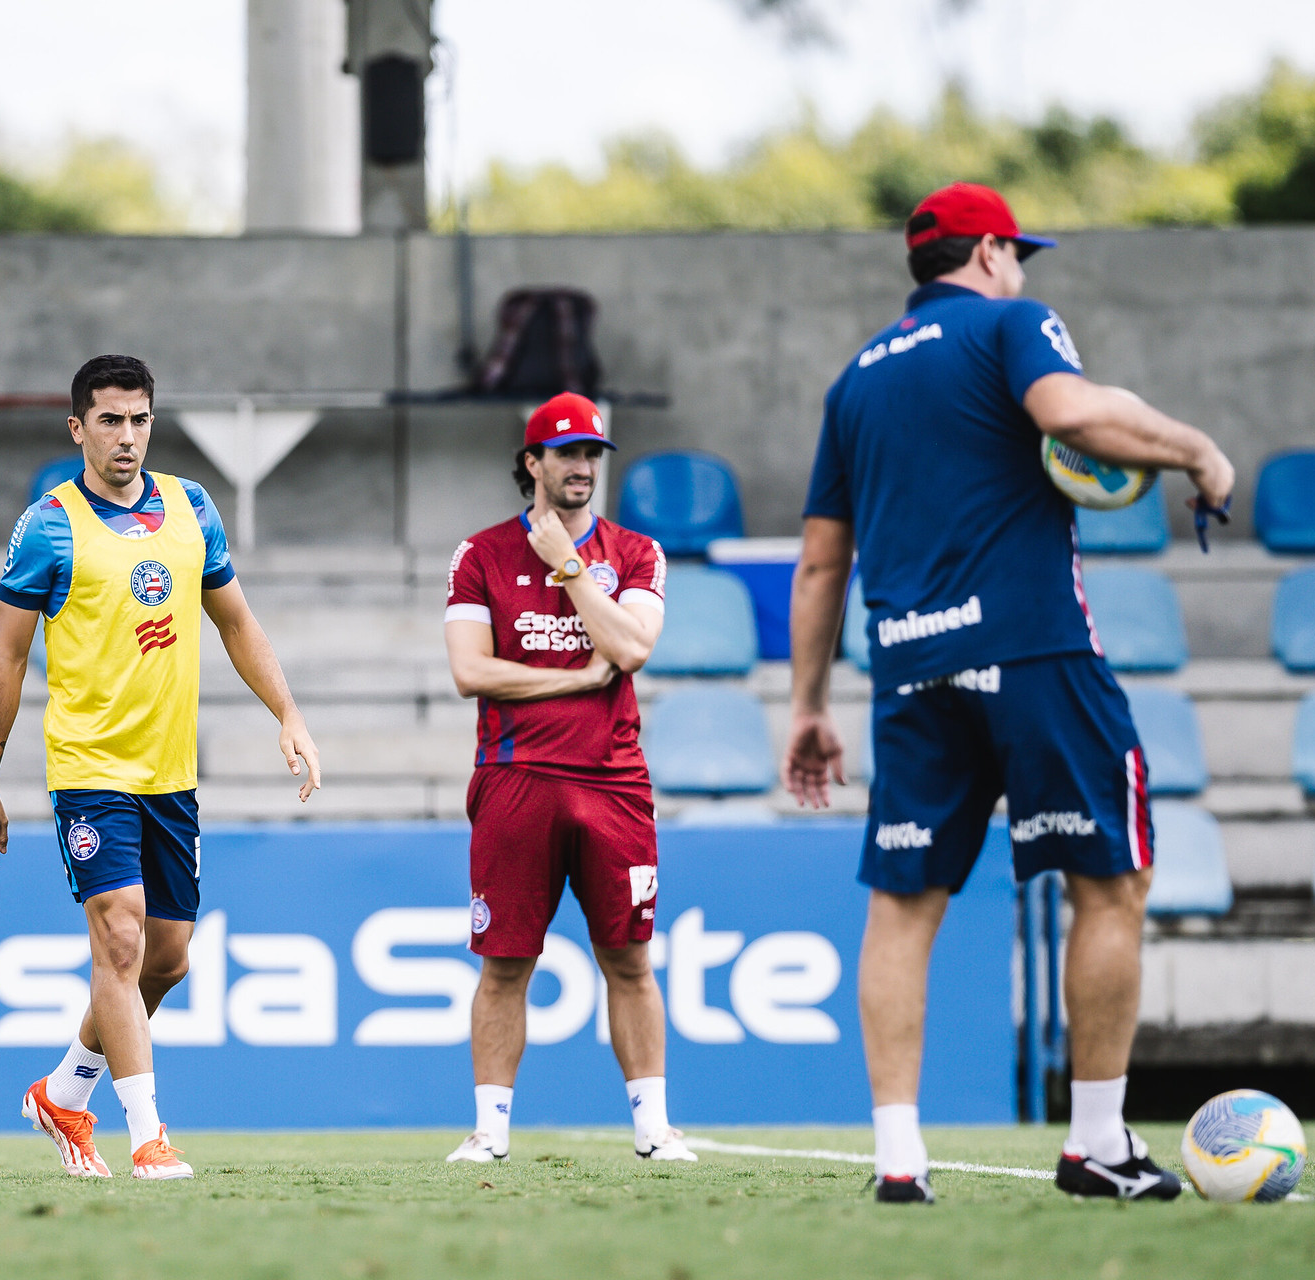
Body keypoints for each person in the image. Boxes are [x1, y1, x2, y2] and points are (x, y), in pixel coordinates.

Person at [785, 182, 1237, 1204]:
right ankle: (1094, 1144)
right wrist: (1196, 454)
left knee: (901, 908)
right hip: (1031, 647)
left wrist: (807, 702)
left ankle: (897, 1157)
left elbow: (819, 566)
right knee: (1109, 882)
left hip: (905, 663)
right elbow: (1069, 412)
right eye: (1016, 253)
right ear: (987, 252)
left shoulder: (853, 379)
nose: (1022, 269)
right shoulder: (1013, 322)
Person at [0, 354, 323, 1181]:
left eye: (140, 419)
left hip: (172, 776)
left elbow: (235, 621)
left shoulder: (192, 507)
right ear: (78, 428)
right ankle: (148, 1134)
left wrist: (289, 713)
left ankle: (62, 1090)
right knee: (119, 936)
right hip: (90, 768)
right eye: (110, 420)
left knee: (165, 958)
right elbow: (6, 660)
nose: (127, 436)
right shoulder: (48, 525)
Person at [439, 392, 693, 1166]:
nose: (582, 466)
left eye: (592, 453)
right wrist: (574, 680)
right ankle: (490, 1131)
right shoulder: (478, 553)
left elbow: (633, 648)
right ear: (533, 463)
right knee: (505, 962)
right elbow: (468, 671)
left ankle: (653, 1125)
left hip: (614, 781)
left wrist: (571, 568)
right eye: (566, 452)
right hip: (515, 777)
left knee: (630, 956)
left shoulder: (637, 552)